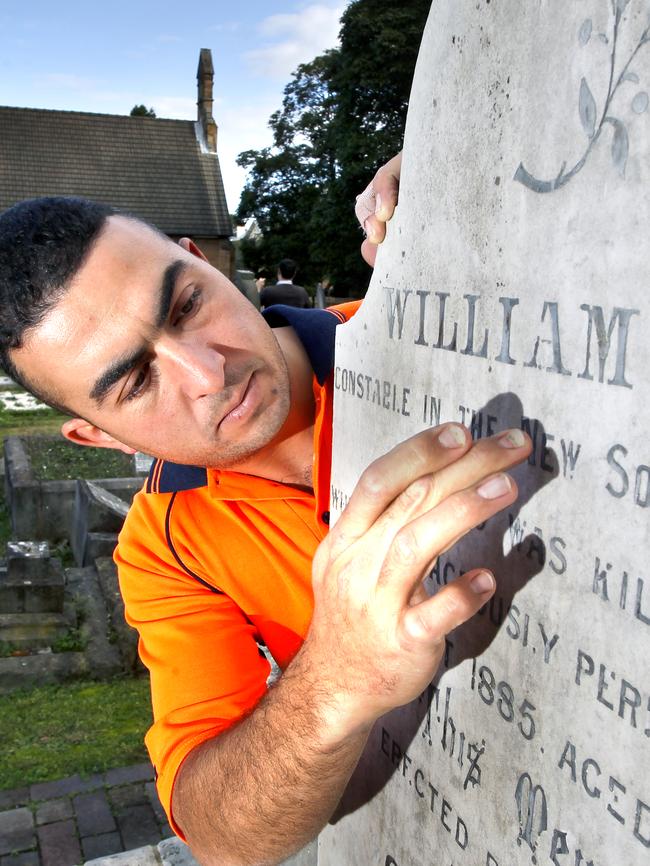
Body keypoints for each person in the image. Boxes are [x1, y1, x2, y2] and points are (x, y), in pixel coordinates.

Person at [0, 157, 531, 866]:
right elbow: (217, 832)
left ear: (205, 263)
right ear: (95, 435)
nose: (209, 371)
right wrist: (337, 682)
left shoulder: (416, 328)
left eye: (186, 306)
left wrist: (482, 174)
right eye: (135, 380)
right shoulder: (167, 546)